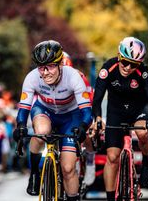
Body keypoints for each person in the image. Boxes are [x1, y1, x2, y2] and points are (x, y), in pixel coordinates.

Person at [13, 40, 92, 201]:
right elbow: (24, 108)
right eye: (41, 67)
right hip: (45, 110)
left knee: (68, 168)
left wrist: (83, 126)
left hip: (71, 116)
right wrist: (20, 126)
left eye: (50, 66)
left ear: (60, 64)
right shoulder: (32, 78)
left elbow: (86, 112)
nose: (45, 72)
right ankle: (34, 172)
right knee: (41, 132)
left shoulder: (74, 77)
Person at [91, 37, 148, 201]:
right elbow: (97, 99)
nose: (128, 67)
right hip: (116, 112)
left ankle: (146, 163)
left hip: (139, 110)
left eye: (134, 64)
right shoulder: (108, 68)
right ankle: (110, 197)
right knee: (112, 157)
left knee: (143, 134)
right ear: (118, 56)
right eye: (125, 62)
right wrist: (98, 118)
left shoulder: (143, 72)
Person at [62, 52, 96, 186]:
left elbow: (90, 100)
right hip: (61, 112)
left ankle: (90, 159)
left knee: (85, 133)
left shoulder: (80, 77)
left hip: (79, 108)